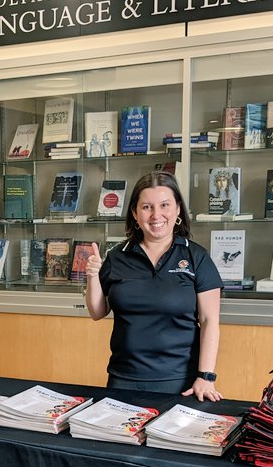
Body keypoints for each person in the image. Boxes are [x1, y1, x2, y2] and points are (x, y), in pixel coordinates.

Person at [84, 171, 224, 401]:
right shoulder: (118, 256)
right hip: (123, 379)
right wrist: (92, 276)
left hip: (180, 382)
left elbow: (210, 321)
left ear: (178, 209)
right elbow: (98, 312)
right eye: (147, 207)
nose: (156, 215)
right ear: (135, 213)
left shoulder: (196, 257)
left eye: (165, 205)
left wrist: (206, 376)